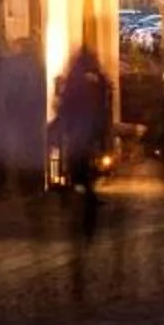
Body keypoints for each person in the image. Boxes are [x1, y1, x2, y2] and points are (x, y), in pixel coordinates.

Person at [51, 43, 113, 244]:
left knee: (77, 172)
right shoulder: (97, 80)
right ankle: (86, 207)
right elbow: (104, 107)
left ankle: (82, 207)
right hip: (88, 134)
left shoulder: (75, 80)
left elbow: (66, 105)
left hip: (78, 133)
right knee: (82, 173)